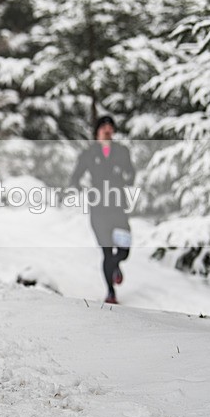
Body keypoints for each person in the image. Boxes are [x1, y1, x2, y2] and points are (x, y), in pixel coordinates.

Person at [69, 115, 136, 304]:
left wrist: (127, 176)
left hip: (118, 208)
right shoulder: (89, 154)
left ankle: (115, 266)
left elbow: (131, 174)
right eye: (103, 127)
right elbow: (75, 178)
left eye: (110, 127)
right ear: (97, 131)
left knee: (123, 250)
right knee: (107, 252)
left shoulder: (122, 151)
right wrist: (83, 190)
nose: (107, 130)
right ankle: (111, 292)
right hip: (98, 210)